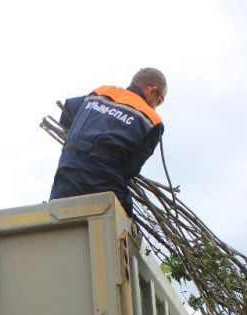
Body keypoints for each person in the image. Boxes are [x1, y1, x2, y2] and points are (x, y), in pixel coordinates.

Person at [49, 67, 167, 217]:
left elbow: (67, 114)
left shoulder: (101, 92)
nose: (157, 107)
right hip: (104, 183)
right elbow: (130, 169)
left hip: (66, 175)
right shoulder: (152, 120)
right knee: (126, 221)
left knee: (56, 216)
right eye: (160, 101)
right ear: (152, 91)